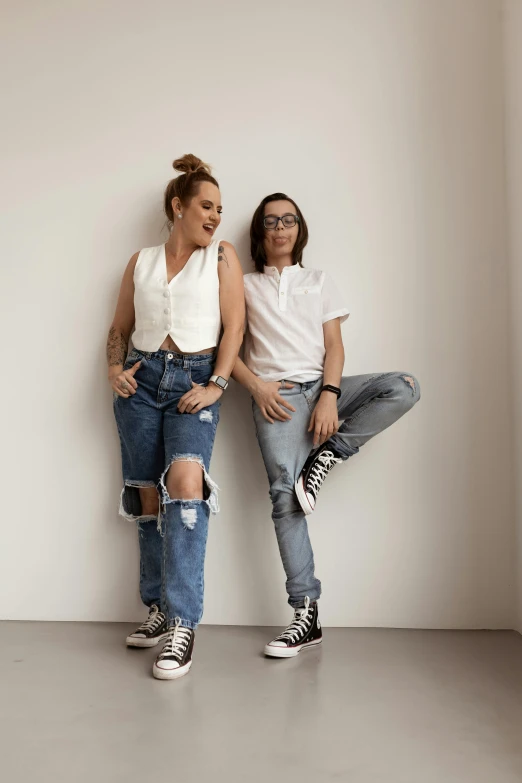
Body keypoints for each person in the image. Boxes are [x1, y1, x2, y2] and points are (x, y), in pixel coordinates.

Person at [232, 193, 420, 658]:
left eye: (289, 220)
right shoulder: (243, 285)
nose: (280, 228)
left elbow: (334, 346)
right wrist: (257, 388)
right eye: (271, 221)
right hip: (276, 399)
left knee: (404, 386)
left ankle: (327, 456)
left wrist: (330, 397)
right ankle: (306, 615)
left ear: (300, 229)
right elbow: (227, 351)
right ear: (260, 232)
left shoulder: (319, 281)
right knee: (284, 498)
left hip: (321, 387)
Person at [107, 155, 244, 680]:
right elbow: (118, 327)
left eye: (219, 209)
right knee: (145, 493)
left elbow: (234, 329)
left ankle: (184, 623)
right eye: (206, 207)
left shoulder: (223, 257)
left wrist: (218, 384)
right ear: (177, 206)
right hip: (140, 386)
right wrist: (114, 368)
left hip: (195, 382)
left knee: (185, 484)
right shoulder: (139, 262)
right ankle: (158, 607)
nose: (215, 217)